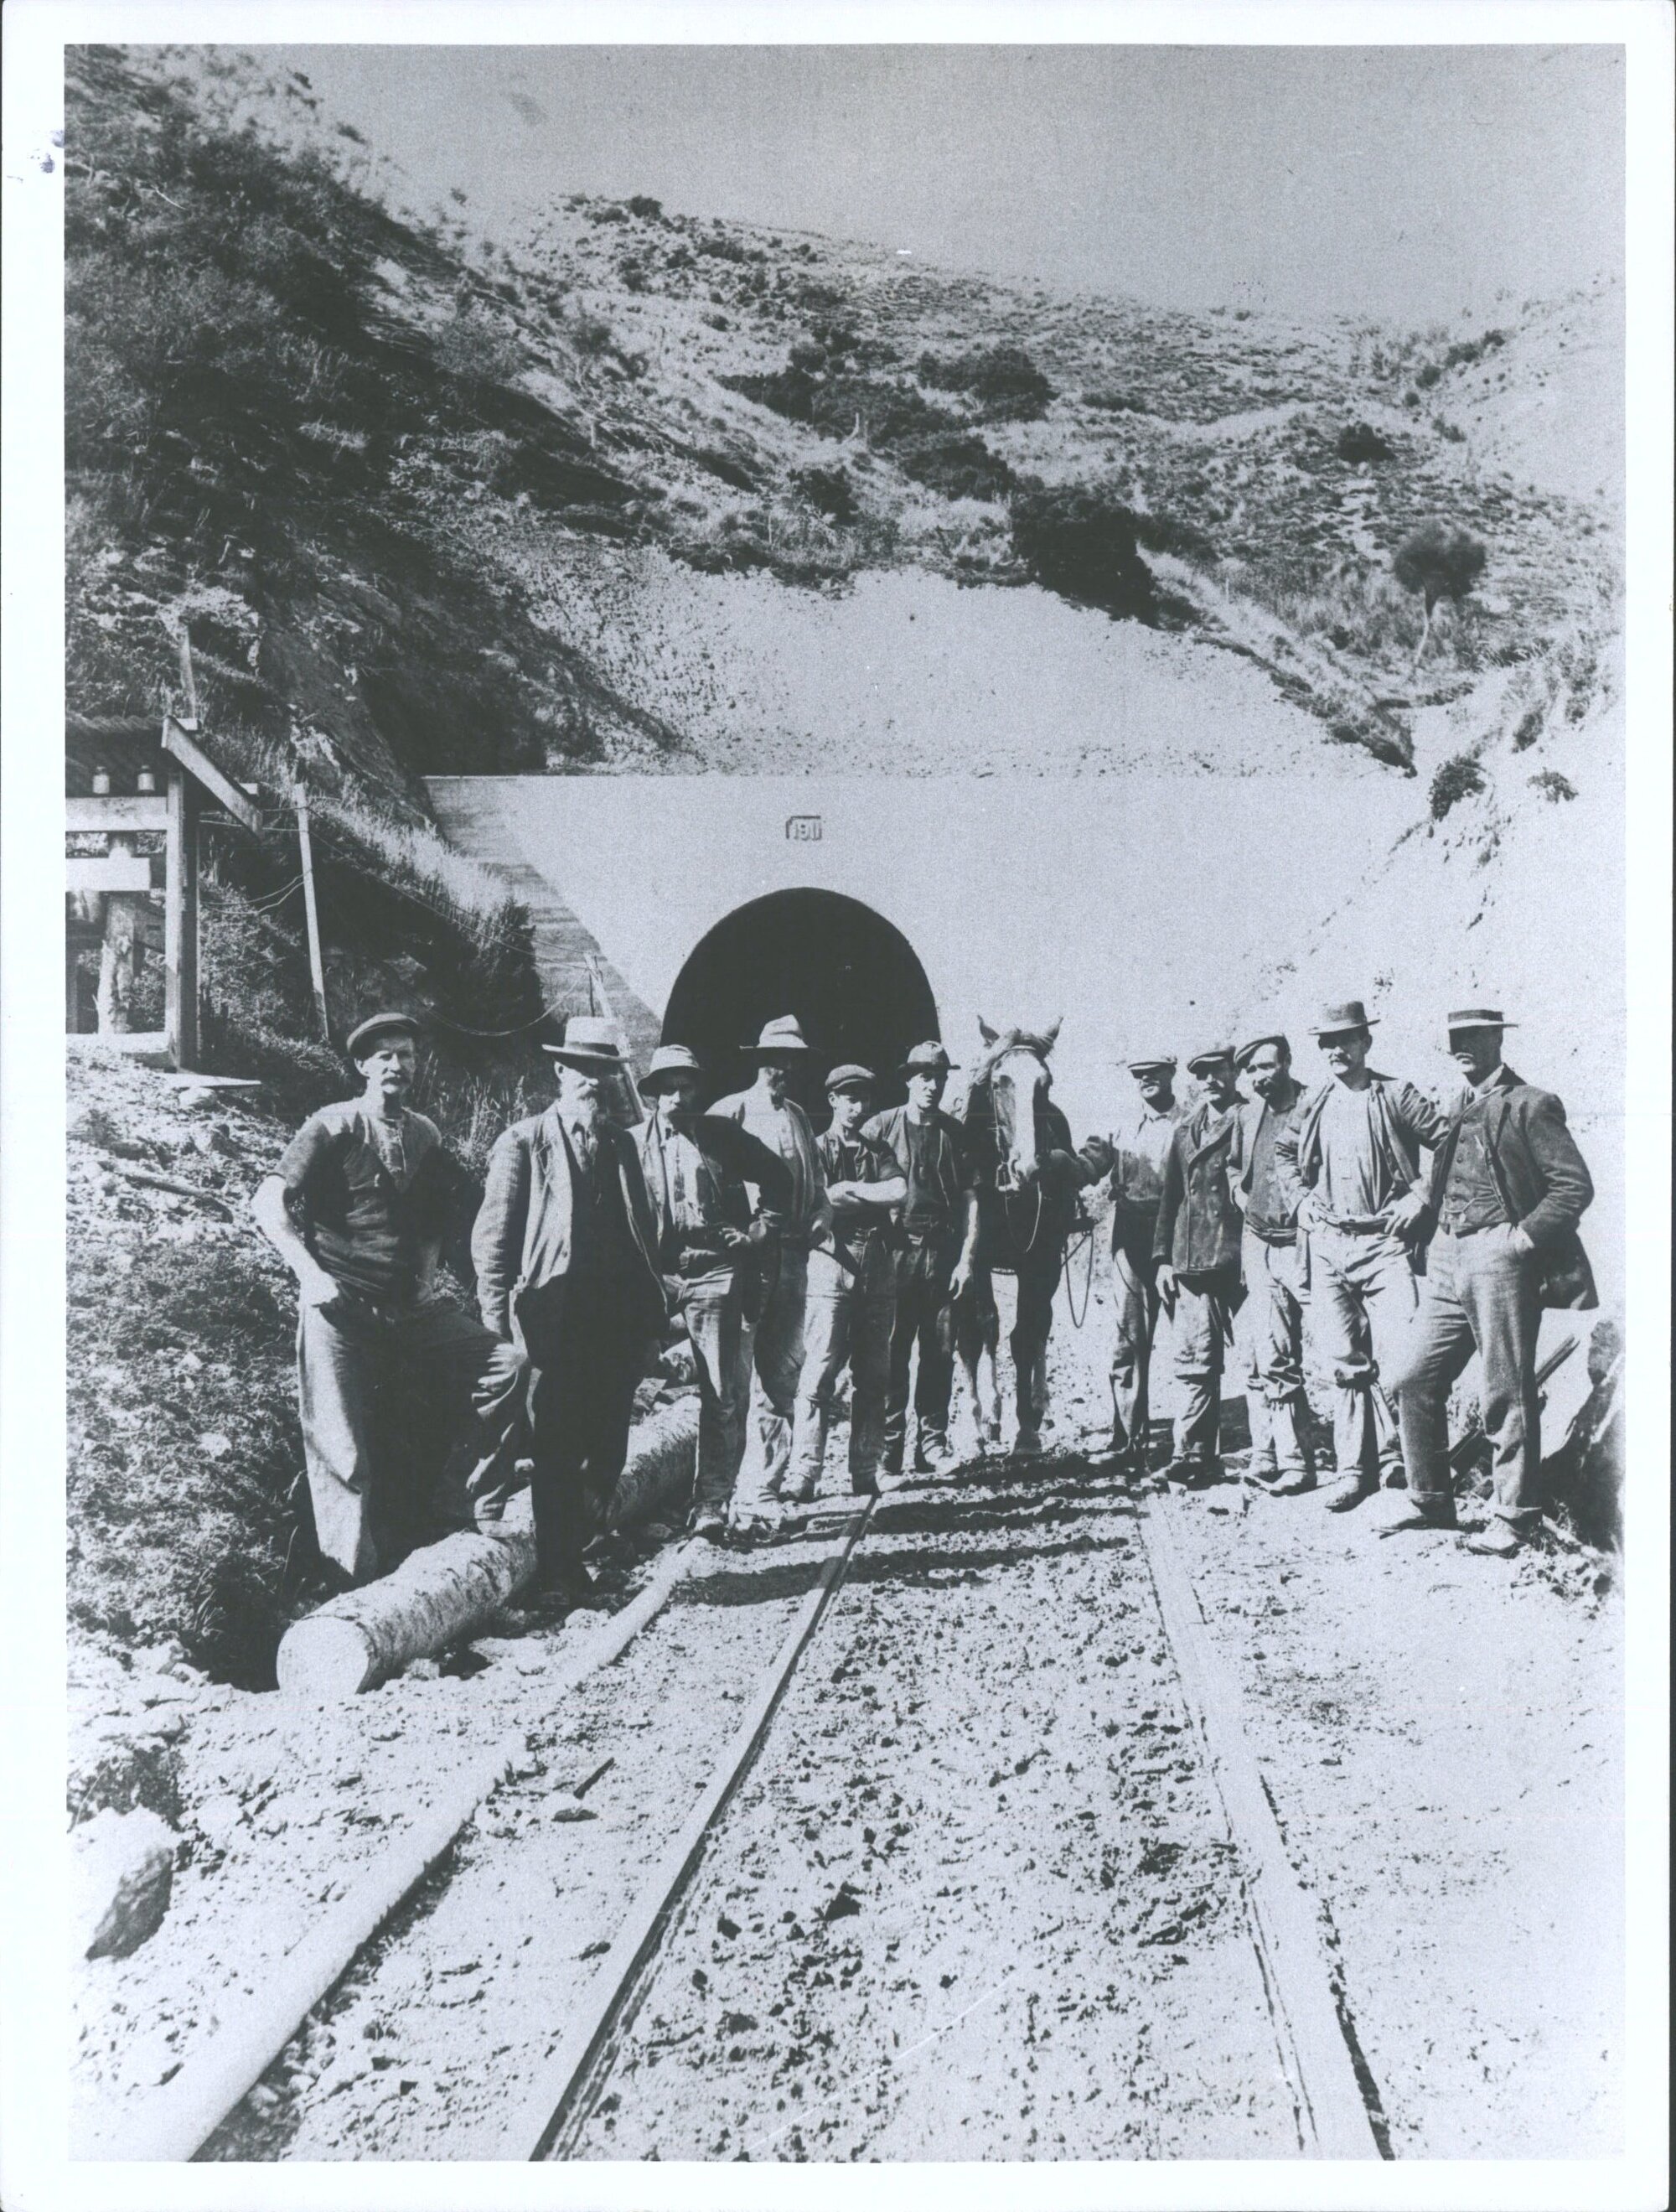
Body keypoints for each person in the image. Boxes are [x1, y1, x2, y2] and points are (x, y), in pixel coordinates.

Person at [251, 1012, 524, 1584]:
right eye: (384, 1057)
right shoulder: (333, 1124)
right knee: (343, 1449)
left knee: (505, 1363)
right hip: (339, 1309)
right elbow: (266, 1202)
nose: (397, 1066)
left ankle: (456, 1511)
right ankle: (352, 1581)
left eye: (407, 1055)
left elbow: (436, 1216)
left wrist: (425, 1275)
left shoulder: (423, 1132)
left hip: (407, 1309)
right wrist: (309, 1274)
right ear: (361, 1066)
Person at [472, 1017, 668, 1606]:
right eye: (582, 1070)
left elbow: (643, 1235)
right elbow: (493, 1247)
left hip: (614, 1322)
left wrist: (649, 1317)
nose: (594, 1083)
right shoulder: (524, 1142)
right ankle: (561, 1569)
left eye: (604, 1072)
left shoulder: (622, 1144)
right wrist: (496, 1329)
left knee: (609, 1443)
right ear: (560, 1071)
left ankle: (576, 1540)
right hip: (550, 1320)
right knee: (557, 1443)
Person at [1388, 1006, 1596, 1555]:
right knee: (1413, 1375)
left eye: (1474, 1036)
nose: (1462, 1046)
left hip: (1499, 1255)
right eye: (1455, 1036)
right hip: (1447, 1255)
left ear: (1496, 1041)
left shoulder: (1531, 1103)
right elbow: (1440, 1174)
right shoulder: (1457, 1103)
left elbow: (1573, 1187)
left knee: (1505, 1385)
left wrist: (1522, 1238)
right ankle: (1430, 1500)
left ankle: (1515, 1515)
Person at [1272, 998, 1450, 1512]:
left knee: (1401, 1359)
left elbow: (1448, 1141)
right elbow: (1286, 1154)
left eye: (1344, 1040)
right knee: (1344, 1362)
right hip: (1328, 1244)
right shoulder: (1315, 1101)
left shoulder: (1396, 1094)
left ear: (1365, 1042)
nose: (1334, 1051)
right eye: (1326, 1043)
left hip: (1385, 1244)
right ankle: (1354, 1469)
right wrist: (1301, 1199)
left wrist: (1419, 1196)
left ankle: (1405, 1464)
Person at [635, 1044, 795, 1540]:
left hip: (715, 1272)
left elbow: (778, 1177)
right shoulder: (631, 1145)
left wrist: (757, 1230)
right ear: (654, 1094)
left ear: (698, 1090)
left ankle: (712, 1502)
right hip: (654, 1273)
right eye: (668, 1088)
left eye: (686, 1087)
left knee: (722, 1392)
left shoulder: (722, 1135)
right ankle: (612, 1501)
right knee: (631, 1381)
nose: (678, 1097)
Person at [709, 1017, 830, 1515]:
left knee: (782, 1376)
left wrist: (821, 1216)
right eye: (774, 1059)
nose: (782, 1068)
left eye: (791, 1060)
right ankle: (722, 1496)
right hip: (746, 1265)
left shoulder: (800, 1117)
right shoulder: (730, 1112)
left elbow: (820, 1186)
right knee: (732, 1381)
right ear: (758, 1061)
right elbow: (707, 1188)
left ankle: (766, 1488)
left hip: (794, 1260)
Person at [863, 1040, 982, 1476]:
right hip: (895, 1254)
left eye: (939, 1078)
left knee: (939, 1351)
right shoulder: (881, 1128)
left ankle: (932, 1443)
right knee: (891, 1353)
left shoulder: (956, 1134)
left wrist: (966, 1259)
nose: (932, 1086)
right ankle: (889, 1449)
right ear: (909, 1080)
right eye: (924, 1078)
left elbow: (972, 1200)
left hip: (943, 1256)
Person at [790, 1065, 907, 1501]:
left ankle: (863, 1470)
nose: (857, 1107)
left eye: (864, 1098)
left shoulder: (879, 1150)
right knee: (819, 1371)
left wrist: (850, 1190)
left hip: (877, 1264)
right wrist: (857, 1193)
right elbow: (823, 1196)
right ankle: (805, 1472)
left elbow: (897, 1191)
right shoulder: (817, 1148)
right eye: (848, 1097)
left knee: (874, 1374)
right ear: (833, 1101)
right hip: (830, 1263)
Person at [1078, 1054, 1183, 1471]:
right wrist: (1063, 1166)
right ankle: (1127, 1438)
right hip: (1130, 1238)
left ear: (1171, 1074)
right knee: (1127, 1343)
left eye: (1155, 1072)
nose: (1146, 1080)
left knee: (1192, 1345)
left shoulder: (1188, 1123)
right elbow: (1092, 1162)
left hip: (1178, 1239)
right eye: (1139, 1074)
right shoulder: (1119, 1124)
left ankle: (1193, 1444)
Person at [1152, 1046, 1248, 1483]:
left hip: (1242, 1258)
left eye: (1218, 1070)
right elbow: (1169, 1201)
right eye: (1202, 1073)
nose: (1211, 1079)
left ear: (1234, 1072)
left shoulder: (1253, 1119)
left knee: (1260, 1361)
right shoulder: (1184, 1130)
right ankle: (1193, 1455)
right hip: (1191, 1262)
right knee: (1194, 1363)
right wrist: (1163, 1262)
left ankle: (1276, 1457)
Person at [1229, 1033, 1316, 1495]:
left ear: (1287, 1062)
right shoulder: (1247, 1115)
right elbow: (1233, 1167)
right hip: (1260, 1244)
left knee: (1347, 1350)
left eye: (1268, 1066)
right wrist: (1242, 1196)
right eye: (1254, 1071)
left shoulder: (1316, 1104)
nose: (1261, 1077)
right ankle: (1293, 1461)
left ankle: (1382, 1457)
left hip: (1308, 1245)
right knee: (1272, 1355)